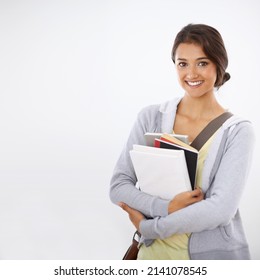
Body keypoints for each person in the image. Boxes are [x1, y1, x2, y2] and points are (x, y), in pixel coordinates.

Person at [109, 23, 255, 260]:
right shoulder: (151, 117)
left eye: (202, 63)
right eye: (183, 64)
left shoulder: (238, 132)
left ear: (219, 64)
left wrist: (150, 228)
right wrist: (166, 208)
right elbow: (119, 186)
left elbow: (221, 210)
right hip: (153, 258)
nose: (191, 74)